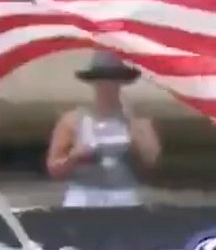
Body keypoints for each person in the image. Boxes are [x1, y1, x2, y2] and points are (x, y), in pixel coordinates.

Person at [46, 51, 160, 208]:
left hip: (123, 197)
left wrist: (140, 147)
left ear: (121, 82)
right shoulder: (72, 120)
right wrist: (74, 157)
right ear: (94, 83)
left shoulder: (137, 121)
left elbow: (151, 167)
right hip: (83, 196)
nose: (107, 86)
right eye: (102, 80)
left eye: (113, 80)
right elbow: (54, 169)